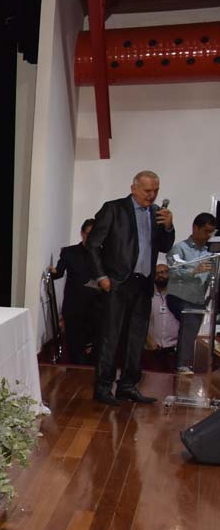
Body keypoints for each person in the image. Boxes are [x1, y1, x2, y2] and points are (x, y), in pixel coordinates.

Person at [86, 170, 175, 404]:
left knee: (136, 338)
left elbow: (165, 247)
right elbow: (93, 244)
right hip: (116, 282)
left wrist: (168, 227)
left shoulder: (156, 213)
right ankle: (103, 388)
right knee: (110, 337)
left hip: (143, 283)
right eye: (147, 190)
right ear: (133, 188)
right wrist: (101, 276)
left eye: (156, 190)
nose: (152, 195)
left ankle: (127, 385)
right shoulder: (114, 209)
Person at [166, 212, 217, 374]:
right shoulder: (179, 248)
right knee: (190, 319)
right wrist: (194, 271)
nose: (208, 236)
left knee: (192, 329)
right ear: (195, 228)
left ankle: (184, 363)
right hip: (178, 297)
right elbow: (172, 272)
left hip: (198, 300)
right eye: (206, 231)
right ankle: (182, 365)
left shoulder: (210, 253)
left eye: (211, 232)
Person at [49, 219, 101, 365]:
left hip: (97, 307)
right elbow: (59, 272)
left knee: (96, 350)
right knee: (75, 350)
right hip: (74, 306)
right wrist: (53, 271)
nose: (92, 238)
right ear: (82, 234)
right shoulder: (69, 252)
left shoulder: (103, 253)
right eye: (89, 234)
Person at [145, 261, 179, 372]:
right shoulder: (148, 297)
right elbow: (141, 321)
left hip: (174, 350)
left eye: (164, 272)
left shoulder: (177, 297)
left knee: (172, 380)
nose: (161, 275)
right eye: (157, 273)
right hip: (152, 349)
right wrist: (148, 340)